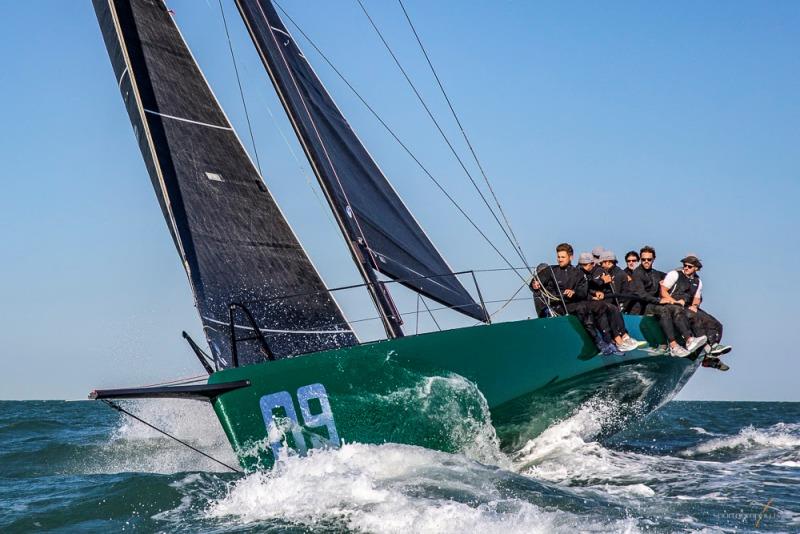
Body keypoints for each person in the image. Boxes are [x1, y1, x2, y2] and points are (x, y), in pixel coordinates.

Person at [629, 246, 705, 357]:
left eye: (649, 259)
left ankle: (701, 347)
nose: (646, 262)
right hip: (646, 306)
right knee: (665, 310)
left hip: (657, 303)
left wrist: (691, 299)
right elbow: (641, 294)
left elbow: (679, 278)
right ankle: (674, 345)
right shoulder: (637, 273)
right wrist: (659, 300)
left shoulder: (655, 273)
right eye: (643, 259)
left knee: (684, 310)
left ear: (653, 259)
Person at [662, 255, 732, 366]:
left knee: (716, 324)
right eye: (684, 265)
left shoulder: (698, 281)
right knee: (692, 317)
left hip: (688, 305)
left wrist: (695, 305)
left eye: (689, 266)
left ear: (696, 268)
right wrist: (672, 301)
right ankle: (697, 345)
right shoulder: (674, 274)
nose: (685, 268)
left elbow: (697, 298)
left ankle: (712, 349)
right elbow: (663, 291)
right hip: (673, 305)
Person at [576, 251, 645, 353]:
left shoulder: (617, 274)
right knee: (609, 308)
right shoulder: (598, 273)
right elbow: (587, 286)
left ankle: (622, 337)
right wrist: (599, 286)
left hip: (617, 304)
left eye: (601, 262)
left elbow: (616, 293)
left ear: (608, 262)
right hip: (596, 304)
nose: (600, 265)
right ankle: (619, 339)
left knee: (611, 308)